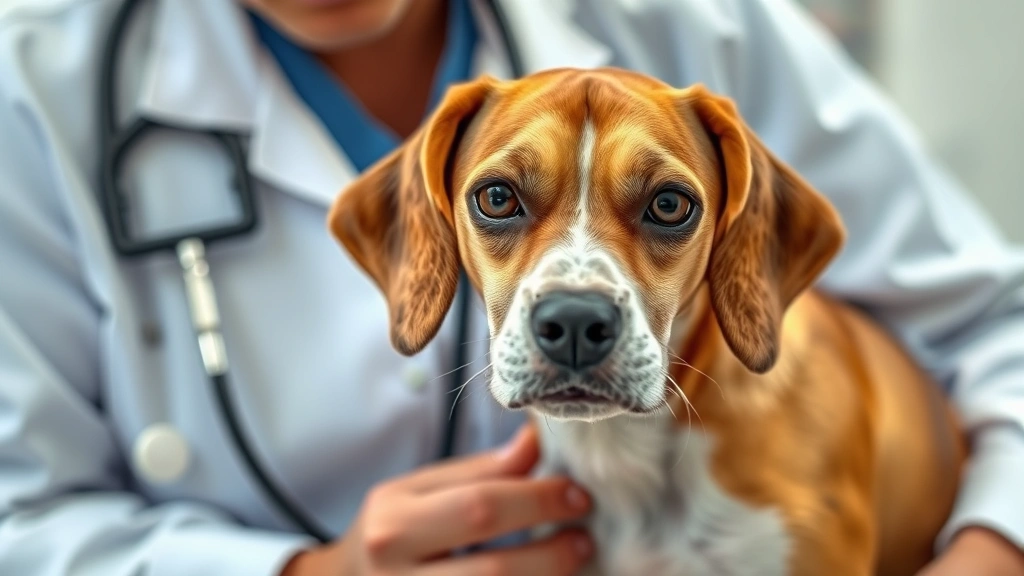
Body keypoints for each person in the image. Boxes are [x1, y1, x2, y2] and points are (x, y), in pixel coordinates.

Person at [0, 0, 1021, 574]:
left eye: (663, 209)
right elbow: (23, 524)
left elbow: (999, 328)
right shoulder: (35, 88)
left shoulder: (688, 25)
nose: (574, 302)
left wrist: (989, 551)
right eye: (499, 203)